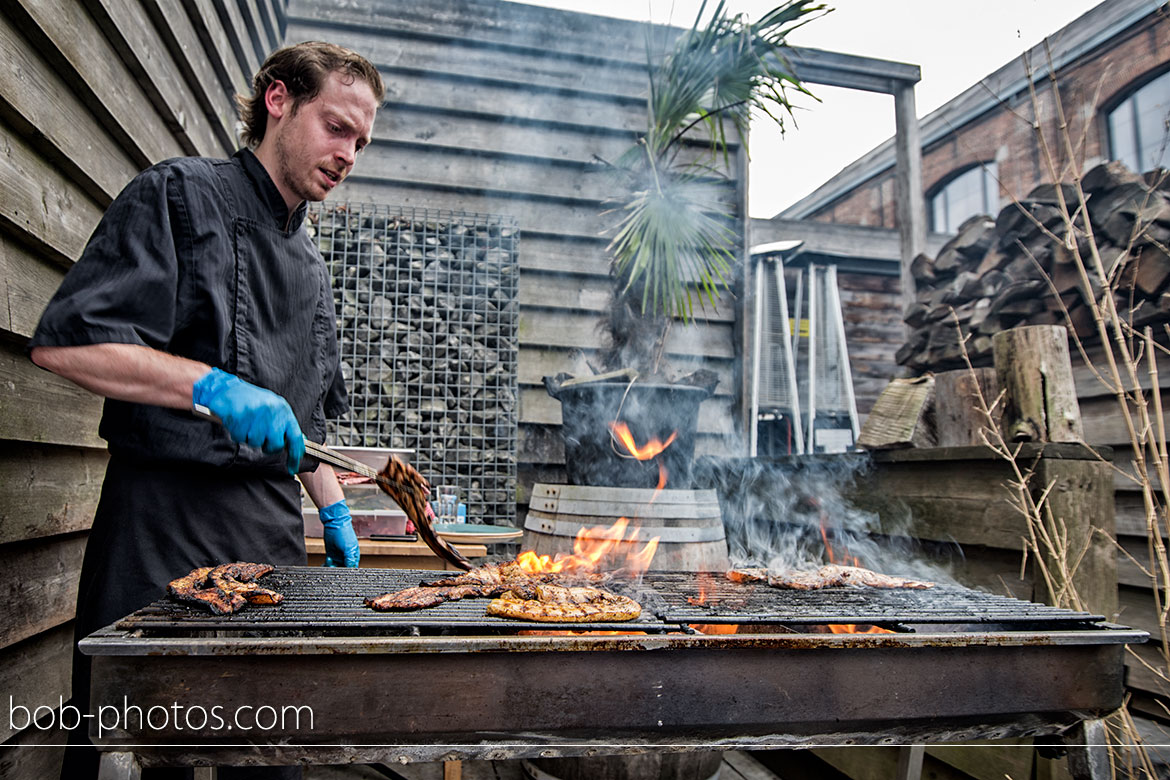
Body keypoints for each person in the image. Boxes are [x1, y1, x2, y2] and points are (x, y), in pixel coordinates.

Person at [28, 41, 385, 780]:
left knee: (269, 754)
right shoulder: (178, 195)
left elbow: (307, 429)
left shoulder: (314, 273)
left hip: (270, 549)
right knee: (134, 756)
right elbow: (68, 342)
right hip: (158, 533)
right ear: (279, 100)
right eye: (337, 126)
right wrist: (211, 387)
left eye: (361, 140)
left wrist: (334, 513)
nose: (348, 153)